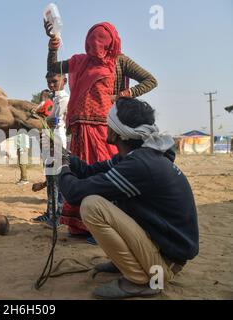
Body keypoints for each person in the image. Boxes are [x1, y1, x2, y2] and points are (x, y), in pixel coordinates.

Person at [56, 98, 199, 299]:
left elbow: (74, 193)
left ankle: (138, 279)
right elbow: (88, 172)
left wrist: (59, 167)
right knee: (108, 196)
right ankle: (132, 264)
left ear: (116, 130)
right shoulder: (136, 157)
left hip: (163, 266)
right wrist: (63, 155)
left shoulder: (139, 165)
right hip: (163, 252)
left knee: (92, 205)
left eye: (109, 122)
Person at [44, 21, 158, 237]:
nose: (95, 46)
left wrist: (120, 96)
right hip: (78, 130)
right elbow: (53, 69)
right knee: (80, 173)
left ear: (110, 42)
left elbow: (150, 80)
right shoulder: (79, 61)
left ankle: (104, 225)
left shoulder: (119, 60)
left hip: (106, 130)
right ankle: (80, 225)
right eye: (91, 42)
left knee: (104, 174)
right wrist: (53, 46)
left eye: (101, 42)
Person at [32, 72, 70, 227]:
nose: (51, 85)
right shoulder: (51, 98)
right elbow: (40, 115)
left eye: (54, 81)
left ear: (65, 81)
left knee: (58, 181)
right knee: (50, 179)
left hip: (58, 142)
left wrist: (41, 117)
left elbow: (53, 119)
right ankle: (50, 212)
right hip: (47, 141)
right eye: (49, 82)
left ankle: (58, 216)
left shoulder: (64, 99)